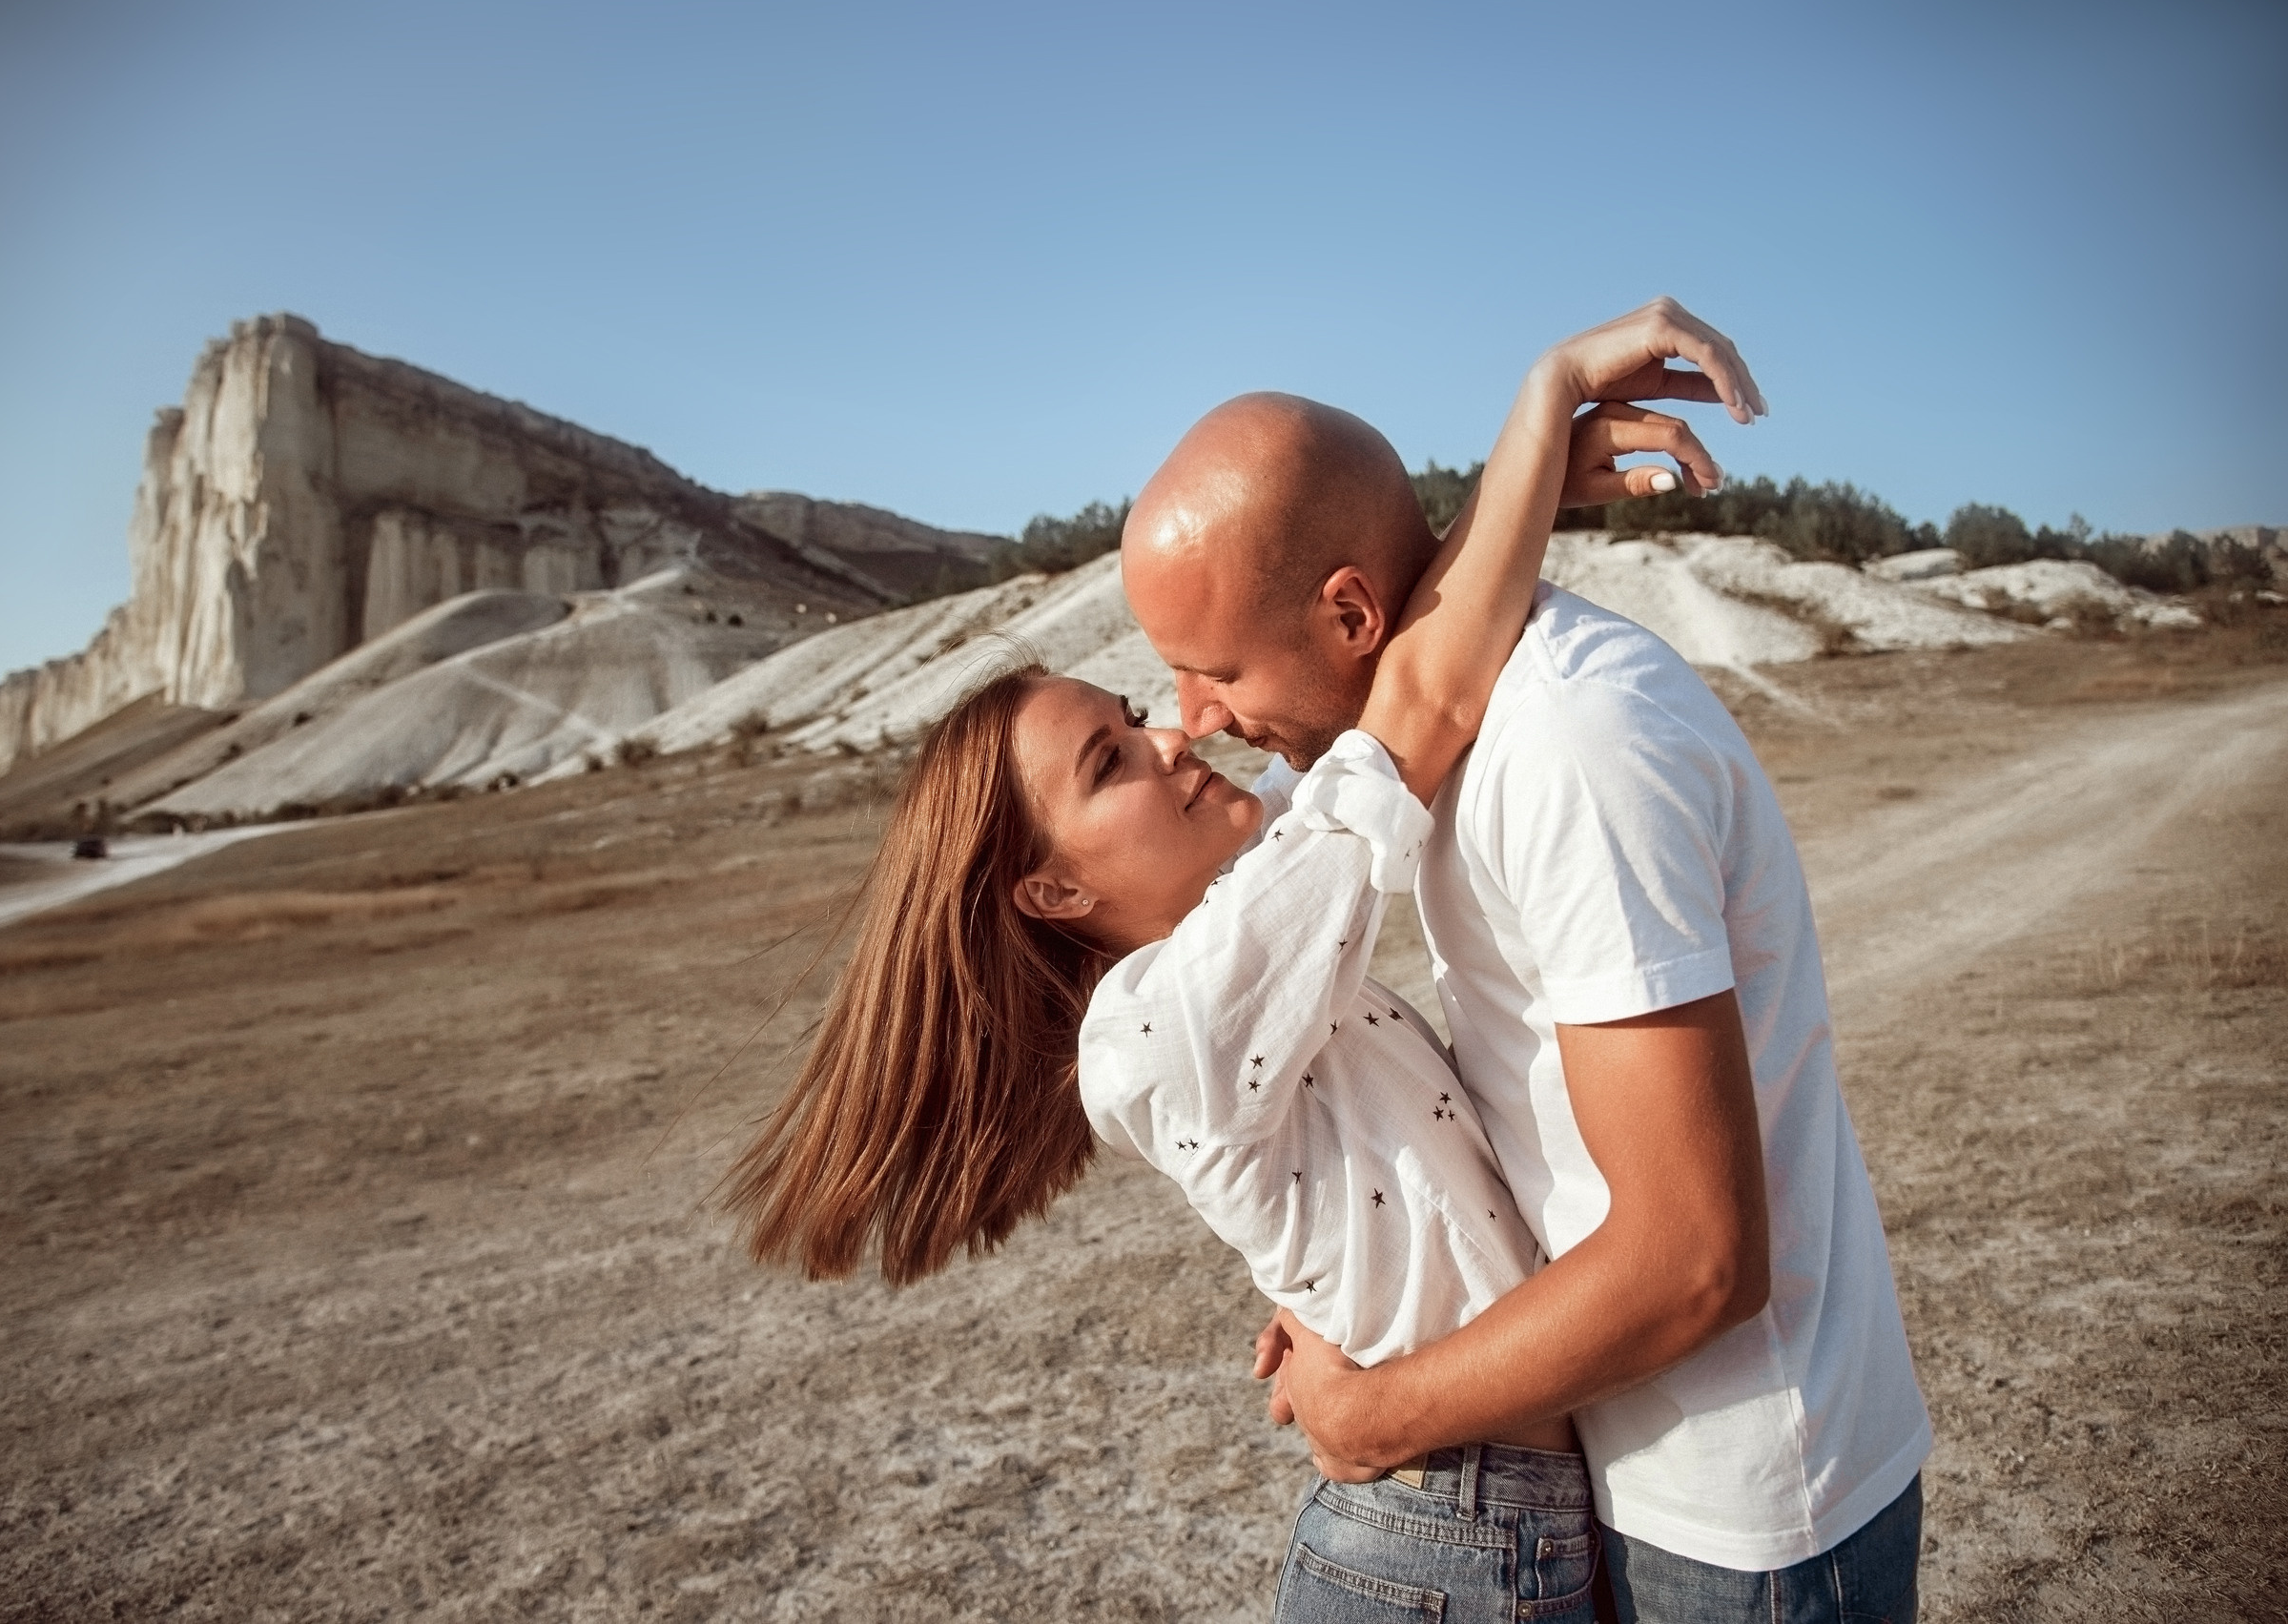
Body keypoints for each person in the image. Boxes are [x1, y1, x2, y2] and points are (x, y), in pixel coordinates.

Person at [725, 304, 1742, 1619]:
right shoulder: (1150, 1037)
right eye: (1110, 761)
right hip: (1434, 1538)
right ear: (1053, 884)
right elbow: (1411, 708)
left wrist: (1488, 515)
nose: (1173, 734)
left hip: (1497, 1508)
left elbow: (1358, 660)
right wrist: (1539, 416)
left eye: (1135, 713)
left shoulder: (1241, 910)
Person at [1119, 298, 1929, 1622]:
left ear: (1348, 614)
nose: (1196, 723)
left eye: (1211, 672)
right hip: (1624, 1442)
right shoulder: (1420, 736)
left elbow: (1695, 1257)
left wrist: (1376, 1411)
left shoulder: (1569, 748)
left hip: (1743, 1515)